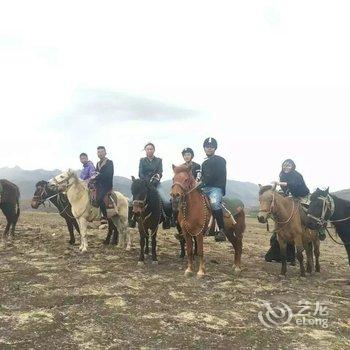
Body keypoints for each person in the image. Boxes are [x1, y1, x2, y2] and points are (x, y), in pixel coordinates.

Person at [273, 159, 326, 240]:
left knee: (311, 210)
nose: (286, 167)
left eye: (288, 165)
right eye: (284, 165)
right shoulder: (282, 175)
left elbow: (294, 184)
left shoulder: (296, 175)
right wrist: (285, 192)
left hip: (303, 195)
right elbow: (284, 188)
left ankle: (320, 228)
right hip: (292, 196)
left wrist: (280, 183)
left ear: (292, 166)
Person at [199, 137, 227, 242]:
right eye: (207, 147)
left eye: (211, 147)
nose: (209, 149)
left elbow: (216, 175)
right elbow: (203, 177)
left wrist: (202, 182)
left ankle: (221, 230)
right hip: (204, 187)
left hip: (215, 188)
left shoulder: (220, 160)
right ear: (204, 148)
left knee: (215, 203)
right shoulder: (204, 163)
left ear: (215, 148)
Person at [138, 142, 171, 228]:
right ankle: (133, 219)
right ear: (145, 150)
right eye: (148, 149)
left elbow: (160, 173)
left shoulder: (159, 160)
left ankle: (167, 220)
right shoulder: (142, 160)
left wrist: (155, 181)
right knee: (131, 201)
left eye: (151, 149)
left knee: (166, 202)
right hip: (144, 184)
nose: (149, 150)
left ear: (154, 150)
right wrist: (146, 182)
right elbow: (140, 173)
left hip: (156, 184)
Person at [94, 146, 114, 225]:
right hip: (98, 184)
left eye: (102, 152)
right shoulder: (98, 163)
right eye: (98, 152)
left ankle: (104, 216)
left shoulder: (109, 162)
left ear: (105, 153)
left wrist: (97, 176)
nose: (100, 153)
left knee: (99, 199)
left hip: (106, 185)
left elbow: (108, 174)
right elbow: (96, 173)